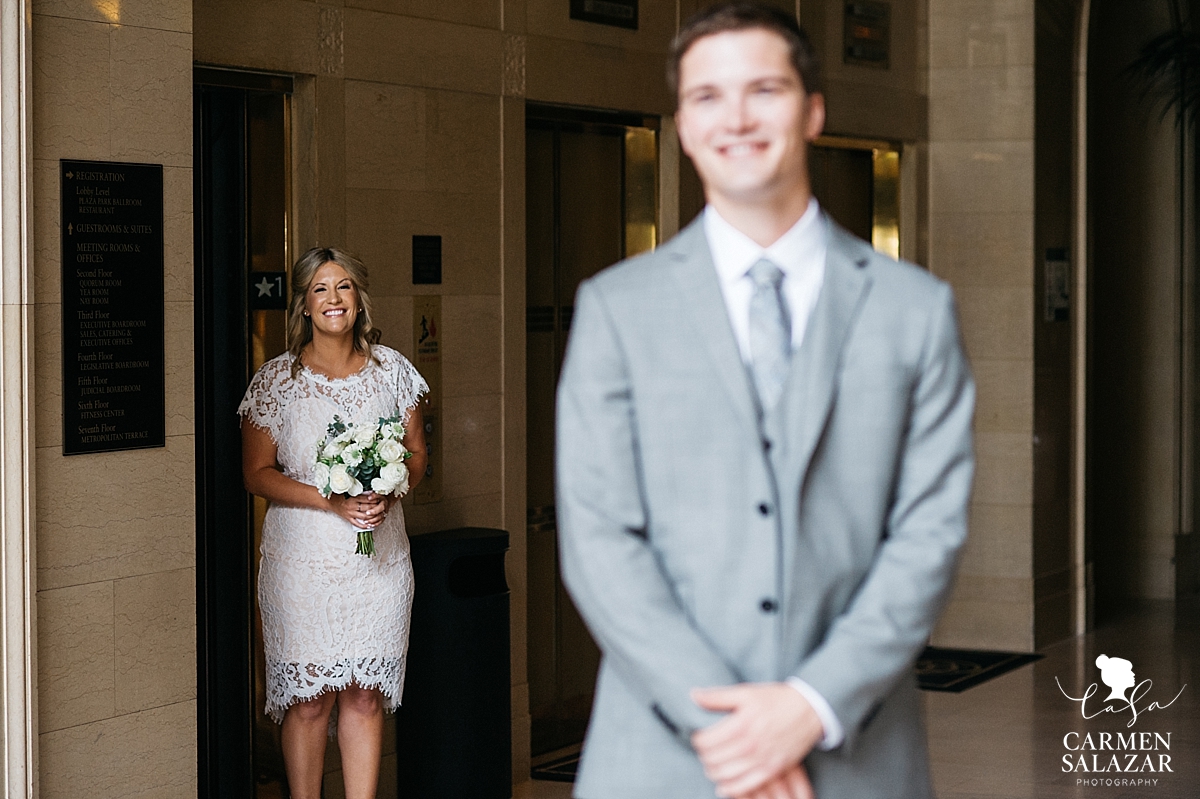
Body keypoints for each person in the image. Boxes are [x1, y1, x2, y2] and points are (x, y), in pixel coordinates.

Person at [554, 3, 975, 798]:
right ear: (681, 124)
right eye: (707, 96)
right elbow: (600, 540)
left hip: (857, 756)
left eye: (765, 90)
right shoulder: (617, 308)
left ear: (813, 111)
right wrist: (727, 726)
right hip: (660, 756)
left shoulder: (914, 310)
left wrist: (811, 705)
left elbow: (929, 531)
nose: (737, 118)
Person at [239, 247, 428, 799]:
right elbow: (255, 473)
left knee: (366, 694)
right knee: (311, 700)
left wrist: (389, 494)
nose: (333, 300)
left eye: (343, 287)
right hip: (302, 564)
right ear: (302, 304)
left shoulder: (393, 372)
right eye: (320, 290)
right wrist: (331, 498)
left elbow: (416, 456)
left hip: (380, 564)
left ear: (358, 299)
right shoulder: (277, 381)